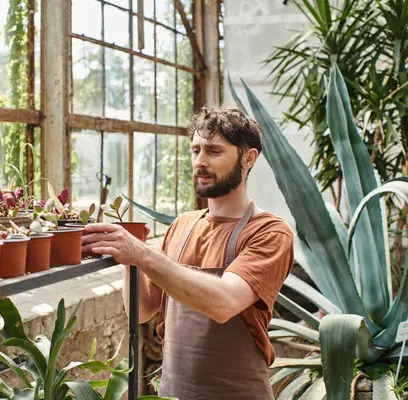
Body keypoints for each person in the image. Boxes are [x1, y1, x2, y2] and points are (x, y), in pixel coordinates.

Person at [82, 107, 294, 399]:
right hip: (173, 393)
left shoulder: (269, 232)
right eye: (196, 150)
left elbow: (224, 302)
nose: (200, 162)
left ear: (249, 158)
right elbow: (142, 311)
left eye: (214, 151)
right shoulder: (182, 226)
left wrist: (141, 253)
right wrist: (127, 259)